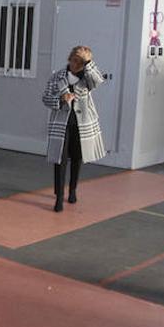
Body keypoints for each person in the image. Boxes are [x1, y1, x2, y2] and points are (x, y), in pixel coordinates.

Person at [41, 45, 106, 212]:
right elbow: (46, 98)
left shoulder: (87, 78)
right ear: (70, 59)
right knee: (59, 159)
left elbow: (98, 81)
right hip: (61, 124)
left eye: (82, 62)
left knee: (77, 157)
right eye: (75, 60)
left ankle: (73, 190)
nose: (78, 64)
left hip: (81, 123)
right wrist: (61, 99)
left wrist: (89, 62)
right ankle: (58, 197)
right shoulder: (57, 77)